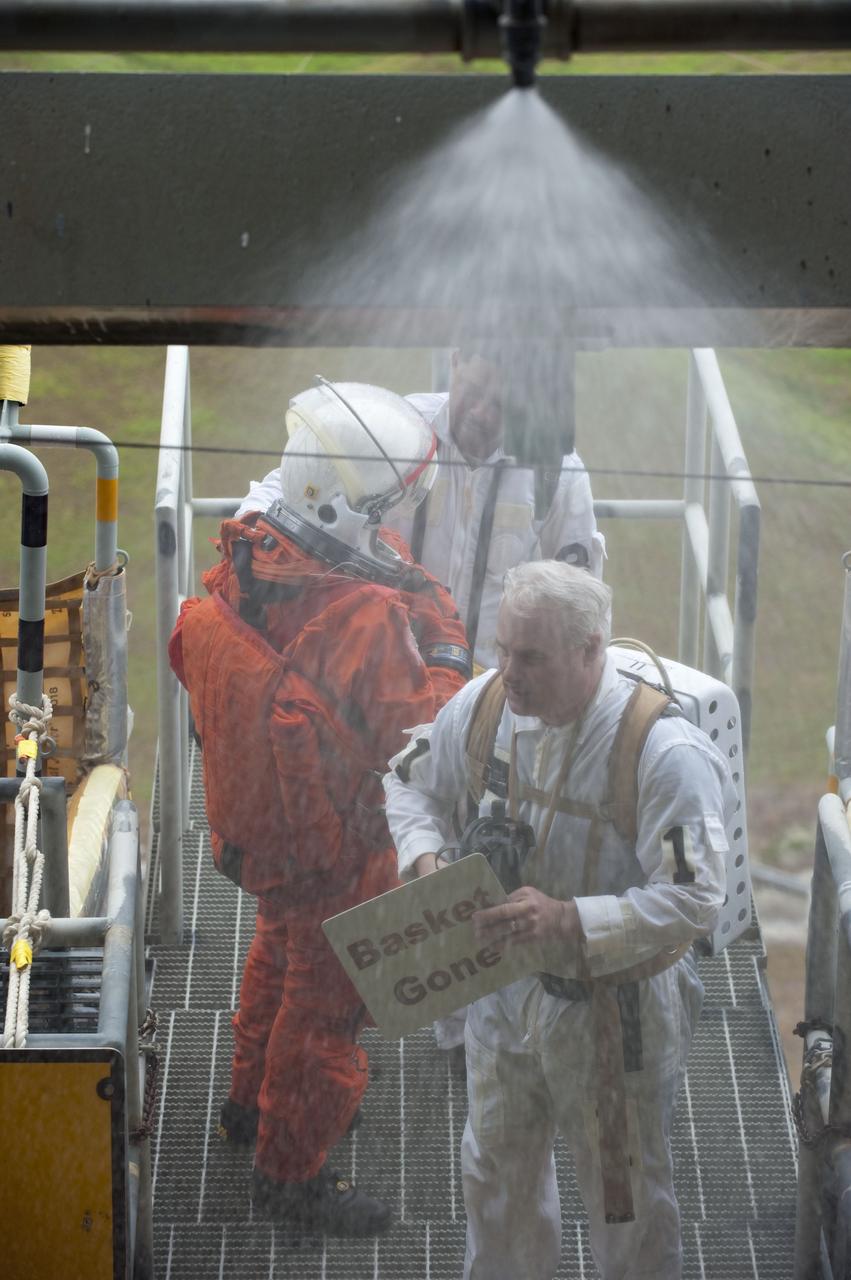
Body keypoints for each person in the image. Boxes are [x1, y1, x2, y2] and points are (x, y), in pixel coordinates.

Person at [169, 380, 472, 1237]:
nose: (386, 524)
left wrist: (393, 572)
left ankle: (249, 1103)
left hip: (262, 827)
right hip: (336, 840)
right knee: (326, 1003)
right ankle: (289, 1170)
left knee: (278, 950)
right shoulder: (365, 619)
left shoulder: (250, 552)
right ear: (338, 503)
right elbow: (421, 729)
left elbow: (345, 588)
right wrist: (447, 646)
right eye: (378, 508)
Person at [383, 561, 736, 1279]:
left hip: (612, 1015)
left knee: (625, 1204)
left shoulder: (661, 755)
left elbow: (697, 896)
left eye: (531, 657)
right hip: (503, 995)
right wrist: (429, 868)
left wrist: (571, 919)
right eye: (502, 649)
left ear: (590, 650)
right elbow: (408, 784)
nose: (508, 672)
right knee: (497, 1181)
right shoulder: (483, 707)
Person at [236, 348, 604, 670]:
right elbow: (289, 481)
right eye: (474, 391)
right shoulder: (398, 430)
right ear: (455, 360)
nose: (483, 414)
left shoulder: (556, 471)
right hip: (382, 678)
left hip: (496, 695)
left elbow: (584, 600)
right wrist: (250, 530)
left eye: (502, 404)